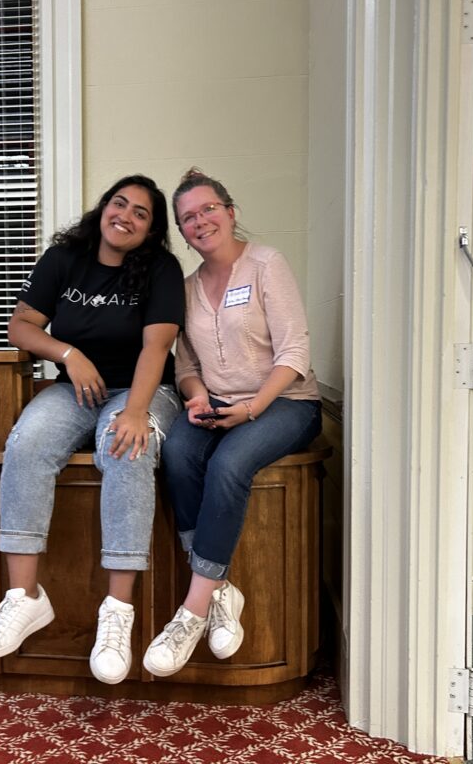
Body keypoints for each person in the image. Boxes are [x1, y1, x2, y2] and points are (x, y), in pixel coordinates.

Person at [0, 175, 185, 685]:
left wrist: (135, 412)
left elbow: (156, 348)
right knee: (26, 443)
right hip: (76, 390)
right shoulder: (66, 258)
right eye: (120, 204)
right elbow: (21, 325)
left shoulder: (161, 268)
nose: (126, 216)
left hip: (142, 388)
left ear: (151, 230)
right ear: (104, 207)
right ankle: (24, 598)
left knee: (126, 447)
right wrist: (69, 354)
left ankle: (117, 613)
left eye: (141, 213)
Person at [142, 169, 322, 678]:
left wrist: (252, 409)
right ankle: (220, 589)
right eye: (188, 218)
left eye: (208, 210)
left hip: (286, 401)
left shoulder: (266, 264)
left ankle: (193, 610)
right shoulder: (186, 287)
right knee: (175, 454)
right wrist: (197, 399)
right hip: (218, 403)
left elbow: (295, 352)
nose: (200, 222)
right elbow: (186, 366)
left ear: (230, 211)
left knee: (229, 464)